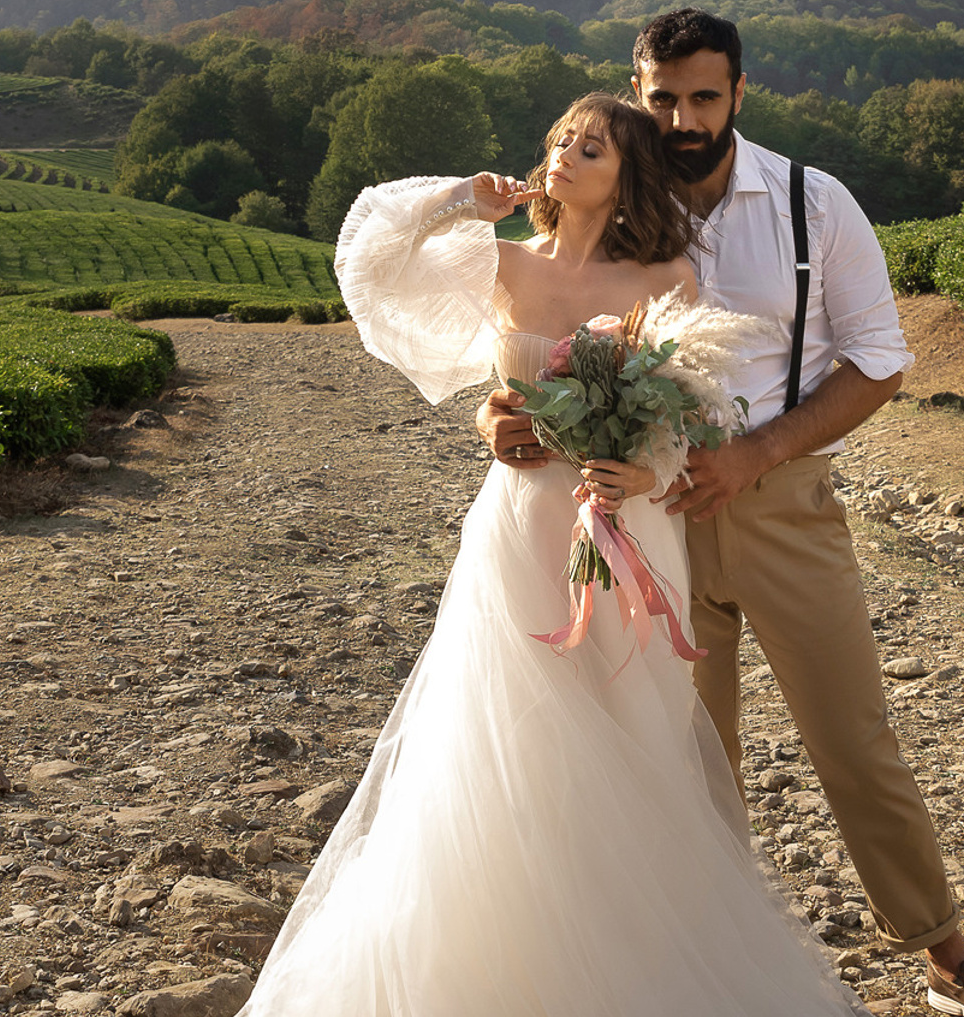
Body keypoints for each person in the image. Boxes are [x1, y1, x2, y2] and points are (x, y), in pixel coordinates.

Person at [242, 92, 866, 1016]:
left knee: (630, 730)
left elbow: (690, 424)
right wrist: (464, 199)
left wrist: (638, 477)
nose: (570, 154)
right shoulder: (504, 264)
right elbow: (369, 256)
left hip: (629, 530)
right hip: (519, 528)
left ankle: (630, 966)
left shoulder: (665, 280)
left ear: (629, 176)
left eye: (596, 147)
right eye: (563, 140)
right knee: (503, 736)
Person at [479, 11, 964, 1017]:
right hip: (645, 525)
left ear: (740, 93)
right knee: (684, 756)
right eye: (663, 99)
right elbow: (537, 336)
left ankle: (944, 951)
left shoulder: (809, 203)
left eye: (705, 96)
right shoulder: (608, 201)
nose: (684, 117)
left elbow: (880, 358)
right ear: (637, 91)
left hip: (780, 505)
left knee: (854, 734)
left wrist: (759, 453)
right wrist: (505, 416)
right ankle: (705, 968)